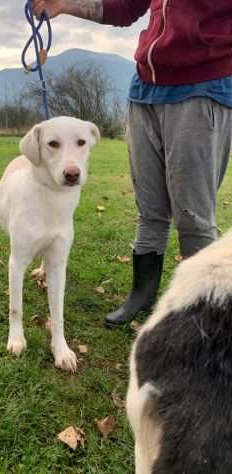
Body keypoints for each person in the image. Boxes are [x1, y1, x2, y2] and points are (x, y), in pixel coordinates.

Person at [33, 0, 232, 328]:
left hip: (203, 85)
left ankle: (204, 316)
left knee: (194, 216)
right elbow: (125, 7)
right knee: (149, 209)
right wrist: (64, 5)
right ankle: (142, 296)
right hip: (145, 91)